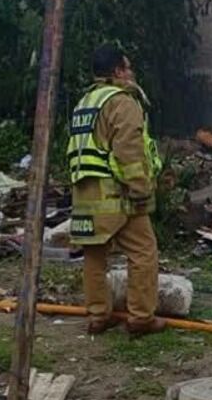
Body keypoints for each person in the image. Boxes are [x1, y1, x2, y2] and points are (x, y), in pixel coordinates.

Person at [67, 44, 164, 337]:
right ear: (118, 71)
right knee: (143, 252)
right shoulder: (121, 101)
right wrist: (140, 188)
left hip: (86, 194)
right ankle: (141, 318)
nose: (131, 72)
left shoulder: (86, 102)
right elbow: (128, 150)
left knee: (95, 256)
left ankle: (98, 316)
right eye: (128, 67)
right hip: (117, 194)